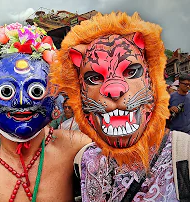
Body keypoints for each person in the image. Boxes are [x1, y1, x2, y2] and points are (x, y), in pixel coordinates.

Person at [51, 12, 190, 201]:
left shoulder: (183, 153)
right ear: (78, 95)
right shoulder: (83, 160)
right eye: (94, 78)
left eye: (131, 71)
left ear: (153, 81)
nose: (114, 89)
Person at [0, 23, 91, 201]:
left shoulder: (75, 147)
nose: (21, 101)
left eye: (35, 91)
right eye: (7, 91)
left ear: (53, 90)